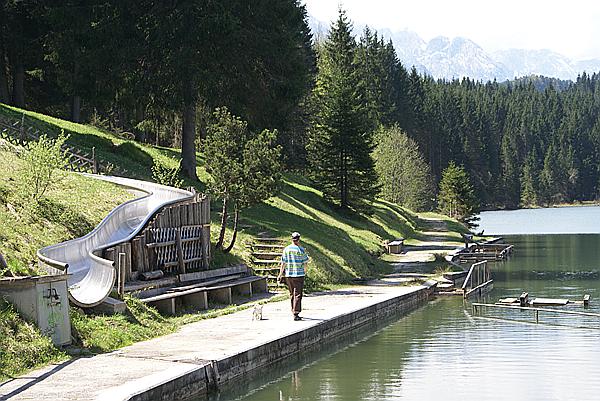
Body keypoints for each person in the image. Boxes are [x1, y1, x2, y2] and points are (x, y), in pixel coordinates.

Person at [278, 231, 308, 321]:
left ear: (292, 239)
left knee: (292, 294)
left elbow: (283, 263)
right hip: (299, 275)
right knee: (298, 294)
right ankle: (296, 313)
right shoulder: (301, 250)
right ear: (299, 239)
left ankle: (293, 310)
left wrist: (280, 274)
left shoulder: (286, 249)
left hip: (289, 275)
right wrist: (305, 271)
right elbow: (305, 263)